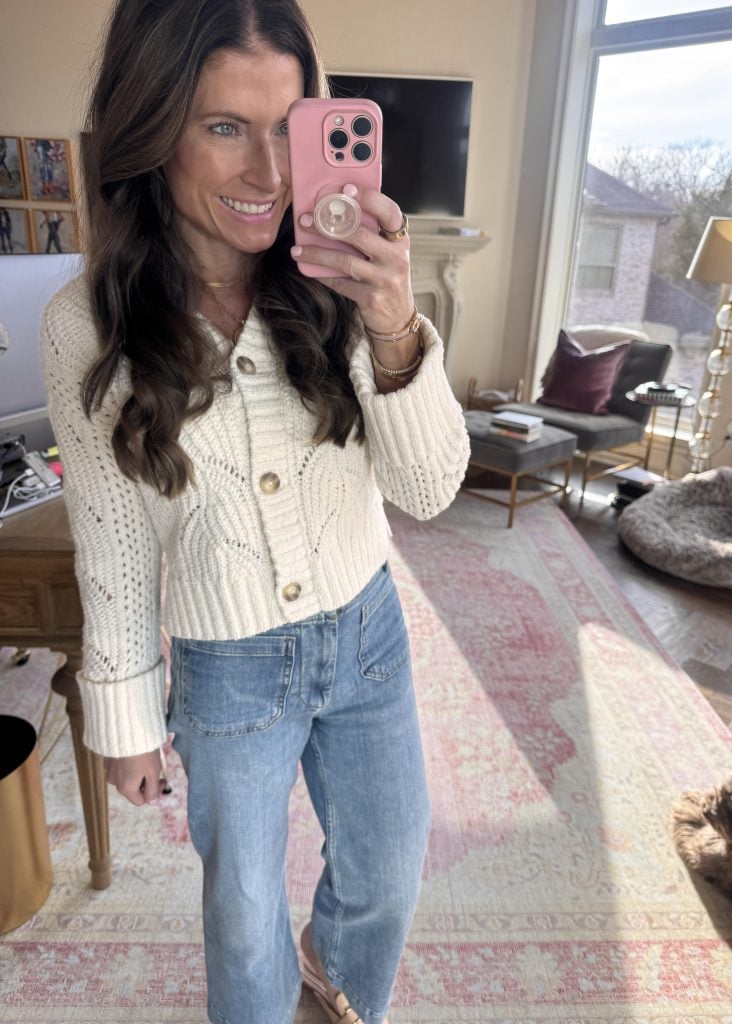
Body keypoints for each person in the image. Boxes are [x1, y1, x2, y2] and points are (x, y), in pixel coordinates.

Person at [40, 2, 469, 1023]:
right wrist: (126, 718)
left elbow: (430, 489)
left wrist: (393, 325)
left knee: (389, 870)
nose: (271, 174)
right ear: (152, 128)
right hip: (228, 665)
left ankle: (334, 978)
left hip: (367, 631)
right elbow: (111, 541)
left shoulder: (342, 278)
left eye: (290, 126)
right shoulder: (87, 325)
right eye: (225, 127)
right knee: (240, 917)